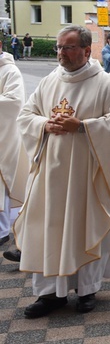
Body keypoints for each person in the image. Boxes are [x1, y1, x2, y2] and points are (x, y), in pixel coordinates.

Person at [15, 25, 110, 318]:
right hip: (50, 172)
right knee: (50, 229)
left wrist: (83, 126)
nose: (61, 53)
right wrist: (43, 125)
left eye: (68, 48)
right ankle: (48, 294)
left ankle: (87, 290)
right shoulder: (48, 81)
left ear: (86, 51)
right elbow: (25, 115)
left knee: (83, 225)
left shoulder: (105, 84)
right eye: (59, 47)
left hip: (87, 174)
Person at [0, 43, 29, 251]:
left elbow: (15, 101)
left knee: (2, 179)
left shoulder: (10, 70)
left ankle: (2, 231)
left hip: (4, 134)